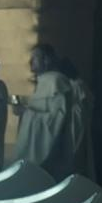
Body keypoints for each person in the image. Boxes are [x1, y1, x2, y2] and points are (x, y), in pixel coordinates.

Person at [12, 43, 76, 181]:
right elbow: (41, 108)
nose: (30, 62)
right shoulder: (44, 81)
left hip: (52, 152)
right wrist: (23, 109)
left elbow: (57, 119)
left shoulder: (56, 81)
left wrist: (26, 113)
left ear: (46, 60)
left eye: (35, 58)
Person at [59, 58, 96, 183]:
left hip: (77, 123)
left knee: (77, 153)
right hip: (73, 122)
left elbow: (84, 104)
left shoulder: (77, 84)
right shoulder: (71, 84)